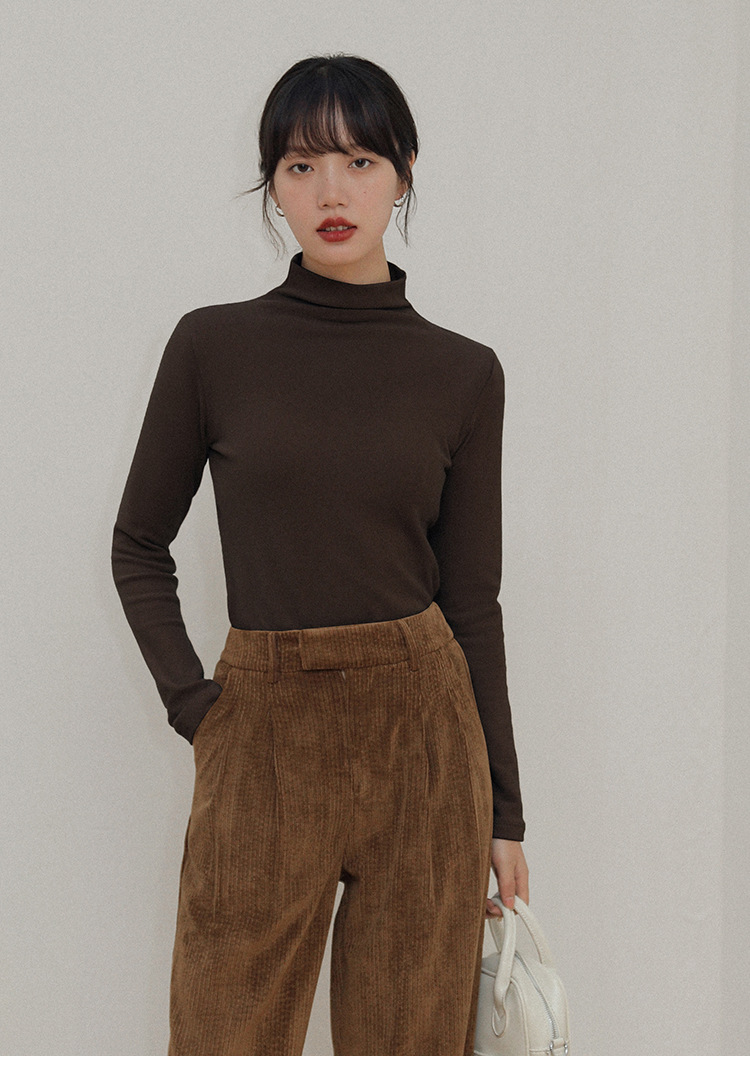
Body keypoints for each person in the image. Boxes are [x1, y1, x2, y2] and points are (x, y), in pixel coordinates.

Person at [111, 53, 529, 1056]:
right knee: (223, 1033)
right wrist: (199, 709)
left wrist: (505, 811)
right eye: (301, 166)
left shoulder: (464, 373)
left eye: (359, 161)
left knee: (410, 1041)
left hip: (425, 739)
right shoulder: (212, 347)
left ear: (405, 171)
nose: (331, 193)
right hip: (262, 731)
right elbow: (138, 544)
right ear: (272, 184)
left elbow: (472, 601)